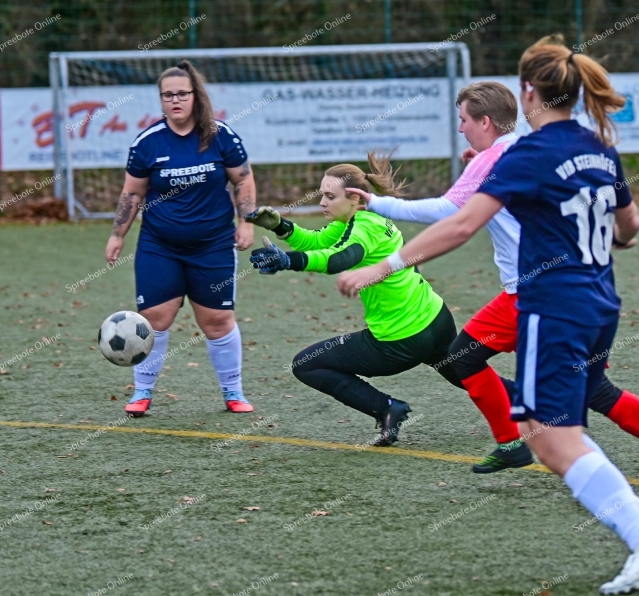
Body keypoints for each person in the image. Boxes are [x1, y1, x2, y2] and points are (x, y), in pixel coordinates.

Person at [337, 35, 639, 594]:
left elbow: (461, 223)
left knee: (548, 437)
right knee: (570, 419)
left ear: (528, 93)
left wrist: (384, 266)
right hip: (601, 301)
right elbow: (631, 228)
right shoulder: (598, 147)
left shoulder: (528, 154)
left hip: (554, 305)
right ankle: (634, 511)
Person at [352, 81, 639, 495]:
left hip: (543, 293)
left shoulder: (505, 156)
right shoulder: (517, 150)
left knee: (585, 393)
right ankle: (512, 442)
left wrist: (376, 206)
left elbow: (449, 213)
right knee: (465, 357)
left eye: (464, 120)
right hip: (537, 292)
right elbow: (621, 220)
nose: (461, 128)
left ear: (485, 121)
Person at [244, 154, 463, 446]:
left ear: (355, 199)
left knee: (306, 365)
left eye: (329, 196)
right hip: (436, 318)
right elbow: (317, 242)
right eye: (322, 195)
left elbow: (339, 258)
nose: (322, 202)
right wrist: (280, 226)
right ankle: (528, 401)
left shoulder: (364, 226)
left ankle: (387, 408)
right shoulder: (359, 217)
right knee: (468, 374)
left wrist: (288, 261)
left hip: (402, 338)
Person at [104, 60, 257, 416]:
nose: (175, 101)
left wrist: (246, 222)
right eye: (167, 95)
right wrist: (117, 236)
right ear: (161, 100)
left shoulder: (221, 136)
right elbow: (131, 194)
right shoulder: (147, 143)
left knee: (217, 320)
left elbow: (244, 180)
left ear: (195, 96)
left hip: (214, 245)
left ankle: (233, 393)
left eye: (181, 94)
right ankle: (141, 393)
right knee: (154, 317)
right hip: (160, 246)